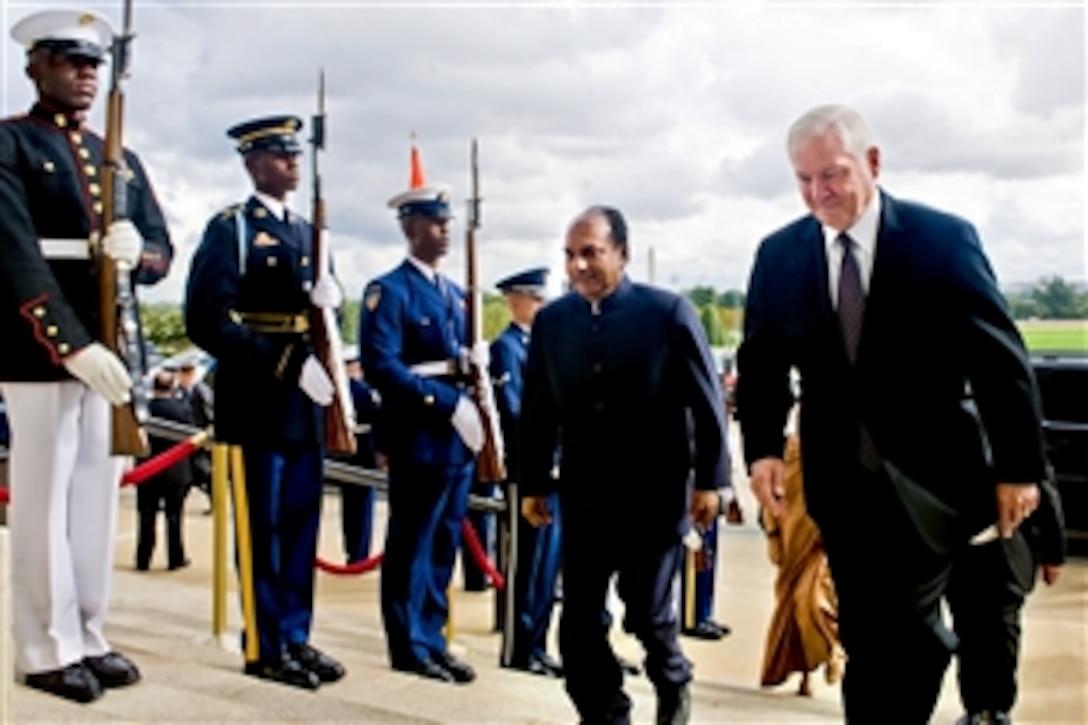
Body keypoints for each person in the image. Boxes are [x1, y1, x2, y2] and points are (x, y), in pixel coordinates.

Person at [736, 104, 1049, 723]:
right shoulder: (779, 256)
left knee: (906, 636)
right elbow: (763, 363)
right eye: (803, 180)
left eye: (832, 175)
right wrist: (764, 449)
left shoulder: (941, 241)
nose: (817, 193)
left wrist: (1018, 468)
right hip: (844, 484)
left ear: (872, 163)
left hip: (935, 482)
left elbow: (999, 362)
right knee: (868, 635)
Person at [0, 9, 174, 704]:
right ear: (35, 67)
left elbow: (162, 251)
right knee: (43, 499)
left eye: (92, 64)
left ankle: (88, 631)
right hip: (39, 345)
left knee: (96, 498)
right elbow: (11, 253)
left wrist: (141, 251)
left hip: (112, 340)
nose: (84, 74)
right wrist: (71, 344)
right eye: (68, 61)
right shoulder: (11, 144)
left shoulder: (119, 157)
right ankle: (44, 646)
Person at [520, 206, 732, 725]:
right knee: (578, 624)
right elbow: (538, 410)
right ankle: (606, 713)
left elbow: (708, 405)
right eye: (569, 255)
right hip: (585, 495)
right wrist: (532, 483)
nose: (578, 266)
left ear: (622, 253)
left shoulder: (668, 313)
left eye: (590, 252)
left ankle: (672, 683)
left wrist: (711, 481)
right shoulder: (552, 322)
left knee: (648, 613)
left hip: (654, 496)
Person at [184, 115, 345, 690]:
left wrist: (333, 304)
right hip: (255, 397)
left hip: (303, 401)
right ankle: (264, 644)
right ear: (253, 164)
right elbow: (204, 318)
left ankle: (295, 635)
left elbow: (322, 319)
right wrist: (282, 360)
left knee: (301, 522)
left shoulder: (308, 232)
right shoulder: (232, 229)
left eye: (296, 156)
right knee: (262, 525)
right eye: (280, 156)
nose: (292, 165)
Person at [358, 143, 485, 685]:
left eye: (447, 221)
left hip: (454, 437)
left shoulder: (458, 294)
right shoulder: (388, 291)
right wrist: (449, 400)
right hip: (418, 431)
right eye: (435, 222)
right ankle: (407, 643)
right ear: (410, 227)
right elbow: (381, 366)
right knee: (411, 539)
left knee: (444, 539)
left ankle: (432, 636)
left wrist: (473, 372)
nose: (445, 231)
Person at [490, 267, 564, 678]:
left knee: (547, 567)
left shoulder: (543, 346)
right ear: (515, 300)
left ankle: (537, 642)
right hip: (529, 470)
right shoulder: (507, 348)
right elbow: (517, 413)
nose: (541, 307)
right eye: (535, 299)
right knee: (528, 564)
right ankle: (519, 647)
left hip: (554, 470)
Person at [946, 475, 1065, 725]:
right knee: (967, 630)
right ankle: (975, 707)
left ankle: (999, 707)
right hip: (961, 551)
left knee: (1003, 631)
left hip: (1007, 549)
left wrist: (1054, 553)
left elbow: (1043, 482)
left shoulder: (1017, 443)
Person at [758, 431, 844, 696]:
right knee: (794, 606)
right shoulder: (789, 454)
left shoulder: (844, 454)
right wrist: (773, 534)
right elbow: (772, 498)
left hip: (824, 543)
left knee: (812, 600)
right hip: (792, 545)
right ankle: (808, 673)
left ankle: (832, 649)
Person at [135, 370, 195, 571]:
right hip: (176, 469)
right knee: (174, 515)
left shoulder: (145, 411)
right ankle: (175, 557)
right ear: (172, 387)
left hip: (148, 468)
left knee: (146, 514)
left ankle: (143, 558)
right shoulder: (182, 410)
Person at [336, 346, 381, 564]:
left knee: (351, 506)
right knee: (361, 506)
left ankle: (354, 550)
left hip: (348, 451)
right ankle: (359, 552)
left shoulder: (345, 389)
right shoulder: (362, 390)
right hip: (364, 450)